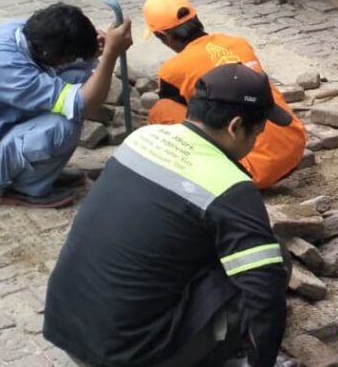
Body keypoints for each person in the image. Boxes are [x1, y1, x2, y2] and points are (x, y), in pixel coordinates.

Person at [44, 64, 290, 367]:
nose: (256, 141)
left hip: (66, 328)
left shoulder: (141, 138)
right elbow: (264, 294)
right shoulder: (231, 187)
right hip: (128, 357)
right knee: (273, 260)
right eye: (258, 131)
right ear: (235, 126)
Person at [0, 4, 132, 208]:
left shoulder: (24, 32)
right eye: (69, 56)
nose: (72, 59)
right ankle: (26, 189)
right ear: (44, 51)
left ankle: (39, 172)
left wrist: (90, 50)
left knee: (78, 76)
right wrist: (110, 54)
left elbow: (72, 68)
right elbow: (84, 106)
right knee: (64, 124)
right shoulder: (6, 69)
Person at [143, 0, 306, 189]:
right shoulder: (237, 42)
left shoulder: (172, 71)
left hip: (251, 171)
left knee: (161, 110)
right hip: (294, 145)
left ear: (163, 36)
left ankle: (193, 175)